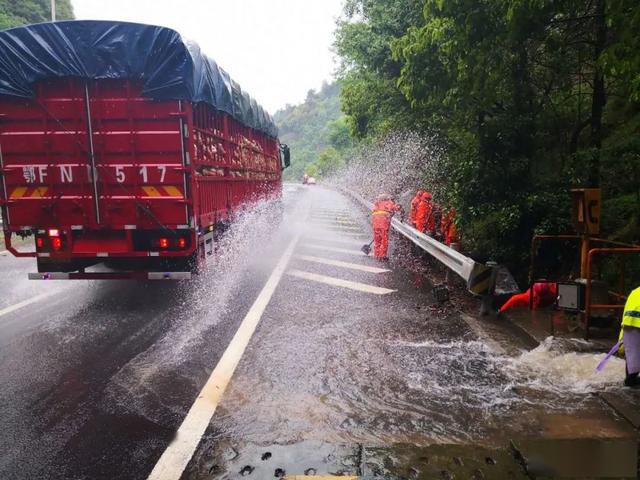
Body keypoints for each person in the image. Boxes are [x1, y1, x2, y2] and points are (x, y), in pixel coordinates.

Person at [619, 286, 640, 387]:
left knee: (632, 353)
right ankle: (631, 380)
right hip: (637, 321)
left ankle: (630, 380)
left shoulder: (635, 291)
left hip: (628, 322)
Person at [371, 193, 401, 260]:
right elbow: (396, 208)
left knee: (377, 240)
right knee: (384, 240)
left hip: (375, 223)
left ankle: (377, 255)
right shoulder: (388, 203)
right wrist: (398, 206)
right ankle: (382, 256)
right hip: (383, 224)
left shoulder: (377, 203)